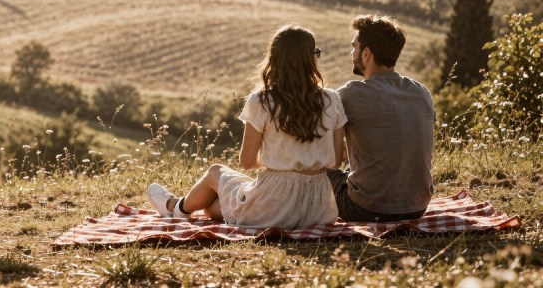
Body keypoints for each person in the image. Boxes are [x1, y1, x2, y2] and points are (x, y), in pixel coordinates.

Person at [148, 24, 346, 229]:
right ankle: (186, 207)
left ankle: (175, 208)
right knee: (212, 209)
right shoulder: (332, 99)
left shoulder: (262, 101)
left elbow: (248, 162)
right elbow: (335, 162)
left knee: (216, 171)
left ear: (275, 60)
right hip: (319, 208)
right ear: (310, 59)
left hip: (275, 203)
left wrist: (281, 159)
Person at [328, 14, 434, 222]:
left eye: (354, 47)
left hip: (366, 208)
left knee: (317, 172)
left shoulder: (350, 94)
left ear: (366, 54)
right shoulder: (422, 92)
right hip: (417, 206)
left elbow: (331, 158)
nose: (352, 53)